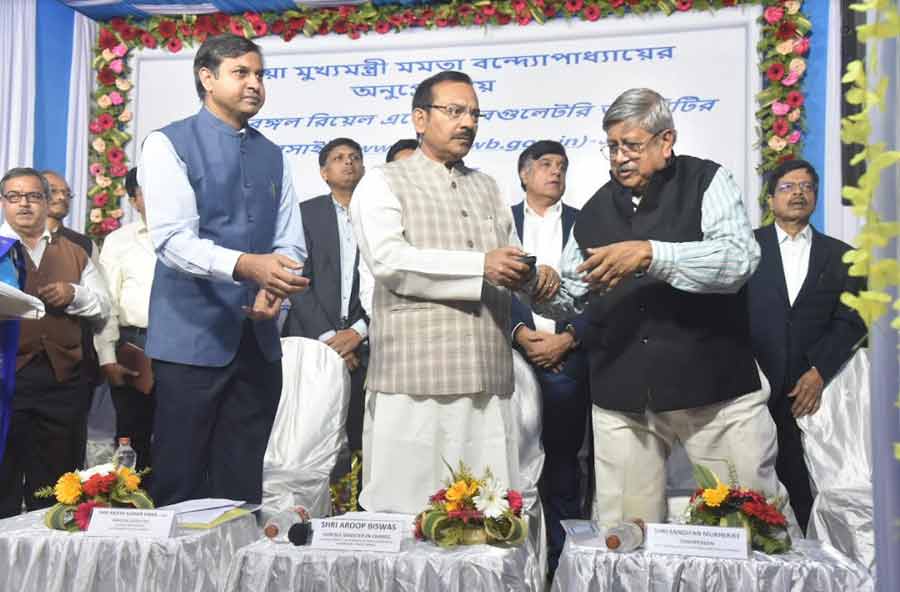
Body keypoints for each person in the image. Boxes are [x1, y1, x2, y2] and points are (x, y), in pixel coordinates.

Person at [532, 88, 788, 525]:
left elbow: (740, 258)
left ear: (666, 141)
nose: (620, 157)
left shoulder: (708, 181)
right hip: (623, 401)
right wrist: (533, 287)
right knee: (624, 540)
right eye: (612, 146)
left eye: (631, 145)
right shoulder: (594, 210)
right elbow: (574, 296)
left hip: (716, 394)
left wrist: (653, 253)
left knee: (752, 530)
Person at [350, 70, 558, 513]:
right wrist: (480, 266)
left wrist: (531, 275)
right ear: (420, 119)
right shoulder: (383, 181)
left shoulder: (487, 185)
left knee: (486, 515)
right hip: (414, 377)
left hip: (486, 375)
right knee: (410, 513)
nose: (468, 122)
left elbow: (508, 257)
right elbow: (389, 260)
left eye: (475, 114)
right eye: (455, 111)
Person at [138, 33, 309, 506]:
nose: (254, 84)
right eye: (241, 73)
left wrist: (277, 286)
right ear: (207, 78)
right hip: (192, 341)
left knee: (242, 482)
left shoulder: (273, 153)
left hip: (258, 341)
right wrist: (248, 267)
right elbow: (172, 241)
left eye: (260, 75)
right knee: (181, 480)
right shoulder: (167, 143)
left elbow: (289, 238)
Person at [747, 159, 867, 533]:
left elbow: (851, 320)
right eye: (787, 186)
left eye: (806, 186)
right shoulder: (745, 249)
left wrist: (818, 371)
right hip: (752, 388)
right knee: (750, 489)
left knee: (807, 488)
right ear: (770, 199)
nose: (798, 192)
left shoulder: (843, 257)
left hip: (812, 394)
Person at [0, 167, 110, 517]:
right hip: (6, 378)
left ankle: (49, 560)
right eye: (14, 197)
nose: (25, 205)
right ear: (3, 203)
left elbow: (104, 305)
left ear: (49, 202)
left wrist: (72, 294)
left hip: (61, 379)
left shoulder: (75, 251)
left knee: (56, 484)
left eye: (34, 196)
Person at [510, 141, 590, 574]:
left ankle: (562, 563)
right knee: (511, 464)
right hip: (514, 361)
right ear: (524, 174)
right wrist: (521, 334)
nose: (555, 172)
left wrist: (568, 339)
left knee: (563, 464)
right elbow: (492, 288)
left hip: (567, 359)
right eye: (545, 165)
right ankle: (516, 561)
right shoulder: (500, 221)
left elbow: (599, 290)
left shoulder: (585, 224)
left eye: (561, 166)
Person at [282, 138, 368, 464]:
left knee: (363, 441)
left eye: (355, 157)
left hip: (368, 347)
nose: (348, 163)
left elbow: (390, 282)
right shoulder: (305, 214)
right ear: (323, 172)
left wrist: (358, 332)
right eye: (338, 158)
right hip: (312, 344)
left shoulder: (379, 214)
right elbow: (298, 282)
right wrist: (331, 342)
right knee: (312, 440)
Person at [93, 167, 156, 470]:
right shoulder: (119, 240)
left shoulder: (195, 236)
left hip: (185, 346)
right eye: (146, 191)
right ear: (133, 200)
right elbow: (107, 302)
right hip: (135, 345)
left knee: (182, 432)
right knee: (132, 434)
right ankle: (133, 506)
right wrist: (107, 354)